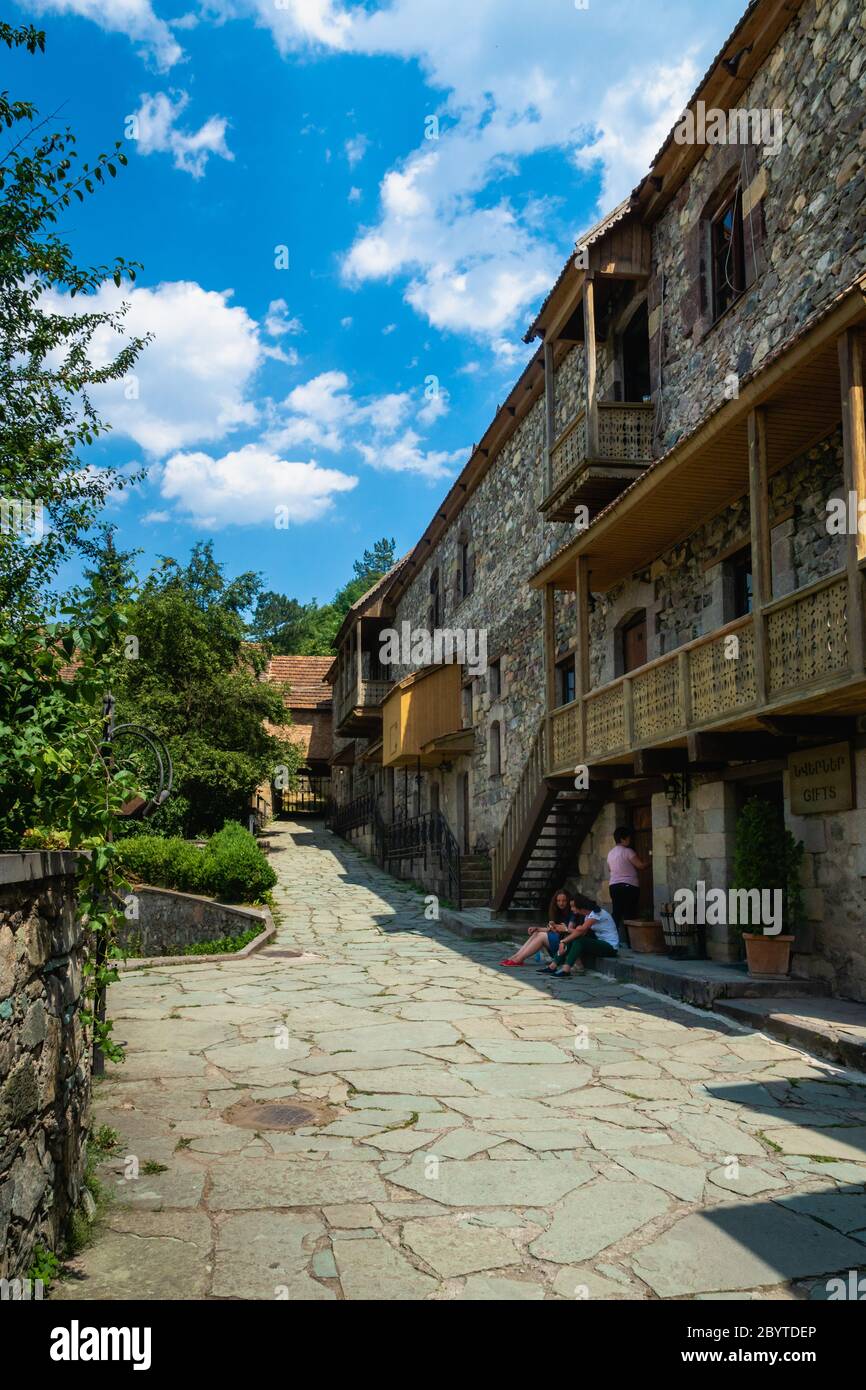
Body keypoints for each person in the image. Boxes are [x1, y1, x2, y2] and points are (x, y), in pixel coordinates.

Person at [541, 892, 620, 976]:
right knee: (573, 938)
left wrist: (563, 940)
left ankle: (566, 969)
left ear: (580, 906)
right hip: (600, 943)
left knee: (578, 940)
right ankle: (553, 966)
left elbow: (581, 931)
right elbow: (580, 932)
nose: (571, 909)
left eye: (573, 906)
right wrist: (565, 938)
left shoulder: (596, 914)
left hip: (611, 947)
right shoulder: (588, 915)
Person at [500, 888, 573, 968]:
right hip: (558, 940)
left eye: (564, 901)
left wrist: (558, 928)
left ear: (568, 901)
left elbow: (568, 930)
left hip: (565, 943)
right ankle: (515, 956)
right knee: (537, 933)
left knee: (542, 936)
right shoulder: (558, 912)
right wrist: (537, 928)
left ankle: (519, 959)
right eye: (558, 901)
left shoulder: (572, 912)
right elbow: (551, 929)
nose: (561, 903)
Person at [607, 826, 650, 937]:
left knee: (617, 912)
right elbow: (640, 865)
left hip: (614, 886)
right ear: (622, 839)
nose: (630, 840)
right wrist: (650, 862)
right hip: (629, 886)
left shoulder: (610, 853)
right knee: (630, 913)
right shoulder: (628, 851)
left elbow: (609, 869)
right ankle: (632, 940)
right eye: (628, 838)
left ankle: (612, 937)